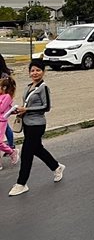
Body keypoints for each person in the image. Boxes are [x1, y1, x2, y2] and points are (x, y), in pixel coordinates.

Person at [9, 60, 65, 196]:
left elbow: (46, 107)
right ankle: (56, 167)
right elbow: (26, 104)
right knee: (37, 149)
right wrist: (19, 110)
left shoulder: (43, 87)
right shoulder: (29, 86)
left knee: (26, 153)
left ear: (43, 72)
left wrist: (26, 109)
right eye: (32, 70)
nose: (35, 73)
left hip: (37, 125)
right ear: (29, 73)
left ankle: (21, 183)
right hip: (27, 124)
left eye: (38, 70)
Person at [0, 77, 19, 169]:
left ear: (4, 87)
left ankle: (12, 151)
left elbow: (1, 109)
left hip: (1, 121)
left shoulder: (7, 97)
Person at [0, 53, 15, 149]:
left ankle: (11, 146)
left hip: (3, 103)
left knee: (5, 126)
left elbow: (8, 91)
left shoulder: (4, 76)